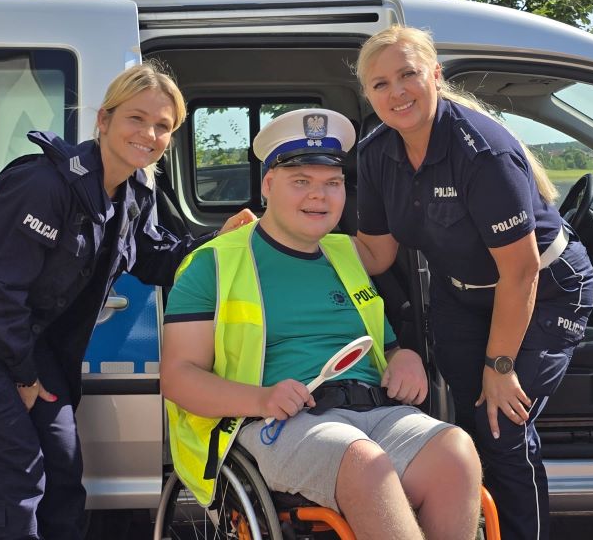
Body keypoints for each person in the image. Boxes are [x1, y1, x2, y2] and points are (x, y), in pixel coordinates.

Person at [0, 62, 256, 540]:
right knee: (12, 479)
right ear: (104, 119)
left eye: (163, 126)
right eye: (137, 118)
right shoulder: (45, 184)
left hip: (20, 338)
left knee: (63, 472)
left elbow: (157, 259)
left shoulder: (134, 194)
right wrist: (24, 376)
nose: (149, 134)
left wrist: (220, 241)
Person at [161, 108, 483, 540]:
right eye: (301, 181)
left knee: (456, 453)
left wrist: (403, 357)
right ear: (268, 185)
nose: (320, 196)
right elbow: (178, 378)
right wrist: (262, 398)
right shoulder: (213, 263)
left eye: (332, 183)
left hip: (375, 412)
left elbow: (383, 345)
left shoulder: (347, 254)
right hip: (276, 423)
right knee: (364, 463)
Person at [353, 25, 593, 540]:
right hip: (461, 294)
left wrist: (500, 366)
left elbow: (520, 271)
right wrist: (280, 239)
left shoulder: (481, 151)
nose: (397, 92)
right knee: (467, 430)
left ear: (435, 75)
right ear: (368, 95)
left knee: (501, 429)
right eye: (380, 84)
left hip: (545, 287)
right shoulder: (376, 153)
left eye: (408, 74)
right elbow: (375, 253)